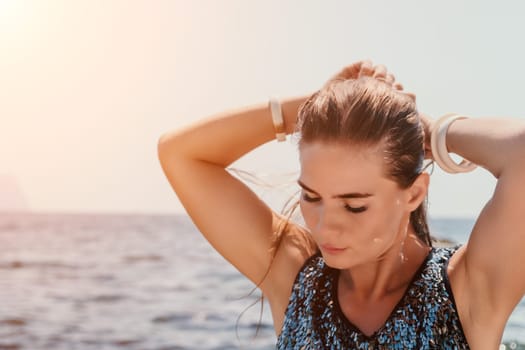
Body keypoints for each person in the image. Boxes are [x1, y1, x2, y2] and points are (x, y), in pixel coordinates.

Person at [157, 61, 525, 349]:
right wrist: (308, 107)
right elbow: (181, 155)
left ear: (413, 194)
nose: (325, 226)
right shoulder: (294, 275)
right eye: (311, 197)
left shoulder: (465, 291)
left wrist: (431, 133)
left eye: (354, 206)